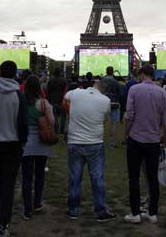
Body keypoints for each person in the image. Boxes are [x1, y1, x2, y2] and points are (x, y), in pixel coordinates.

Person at [0, 61, 28, 237]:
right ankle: (2, 224)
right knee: (8, 185)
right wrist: (23, 142)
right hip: (12, 145)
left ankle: (1, 218)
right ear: (16, 73)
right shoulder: (18, 95)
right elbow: (23, 123)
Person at [63, 78, 117, 222]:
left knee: (75, 177)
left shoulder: (76, 93)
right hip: (94, 142)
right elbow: (105, 119)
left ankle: (73, 210)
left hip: (75, 141)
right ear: (105, 89)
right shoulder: (105, 101)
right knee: (97, 178)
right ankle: (100, 211)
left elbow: (65, 97)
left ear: (95, 83)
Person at [124, 65, 166, 224]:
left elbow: (129, 115)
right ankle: (152, 213)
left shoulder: (134, 90)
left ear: (143, 74)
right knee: (152, 178)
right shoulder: (162, 92)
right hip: (153, 140)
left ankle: (135, 213)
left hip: (136, 139)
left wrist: (126, 133)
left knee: (134, 177)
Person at [21, 75, 55, 220]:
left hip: (25, 144)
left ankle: (27, 209)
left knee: (26, 177)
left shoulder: (21, 102)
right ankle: (37, 203)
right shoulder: (43, 103)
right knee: (40, 174)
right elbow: (52, 122)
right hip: (42, 143)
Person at [102, 66, 122, 148]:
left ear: (106, 72)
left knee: (101, 123)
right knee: (114, 124)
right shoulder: (116, 82)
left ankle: (98, 141)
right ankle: (112, 143)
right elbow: (118, 93)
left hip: (103, 103)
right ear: (112, 72)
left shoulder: (102, 81)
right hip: (114, 103)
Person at [46, 68, 67, 135]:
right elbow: (66, 90)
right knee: (63, 116)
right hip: (62, 100)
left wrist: (48, 99)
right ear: (60, 73)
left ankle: (56, 131)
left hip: (53, 100)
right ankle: (61, 130)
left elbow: (48, 91)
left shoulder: (50, 80)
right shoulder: (64, 81)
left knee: (54, 116)